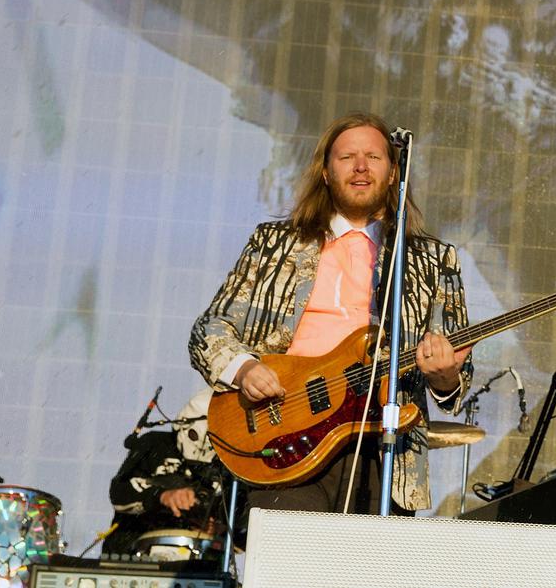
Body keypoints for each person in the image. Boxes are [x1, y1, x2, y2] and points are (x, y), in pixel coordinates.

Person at [188, 111, 473, 514]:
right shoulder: (275, 244)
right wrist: (245, 369)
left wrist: (445, 375)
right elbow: (208, 330)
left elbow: (455, 377)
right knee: (294, 550)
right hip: (286, 435)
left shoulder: (432, 260)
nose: (361, 167)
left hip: (384, 447)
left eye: (373, 157)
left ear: (394, 172)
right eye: (347, 157)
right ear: (325, 172)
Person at [106, 388, 229, 558]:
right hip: (132, 553)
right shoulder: (154, 444)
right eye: (194, 436)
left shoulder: (228, 466)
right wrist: (161, 496)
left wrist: (220, 528)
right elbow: (119, 492)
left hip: (198, 562)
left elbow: (246, 523)